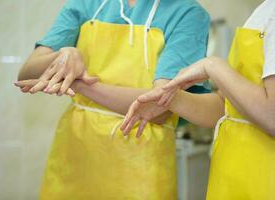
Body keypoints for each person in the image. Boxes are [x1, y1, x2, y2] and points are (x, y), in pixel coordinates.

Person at [15, 0, 210, 199]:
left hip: (141, 164)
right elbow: (26, 75)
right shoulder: (86, 4)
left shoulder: (187, 14)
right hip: (76, 155)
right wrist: (64, 55)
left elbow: (159, 104)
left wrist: (79, 85)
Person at [121, 0, 275, 199]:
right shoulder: (268, 9)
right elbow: (224, 107)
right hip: (239, 174)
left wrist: (212, 66)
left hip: (268, 179)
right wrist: (169, 100)